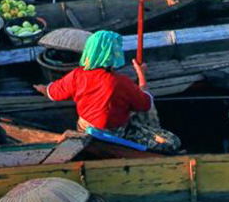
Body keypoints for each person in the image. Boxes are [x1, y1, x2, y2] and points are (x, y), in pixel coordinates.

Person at [34, 30, 181, 153]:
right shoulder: (121, 82)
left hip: (85, 129)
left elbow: (52, 92)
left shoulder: (77, 75)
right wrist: (141, 75)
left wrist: (40, 88)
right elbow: (146, 104)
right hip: (116, 134)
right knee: (172, 142)